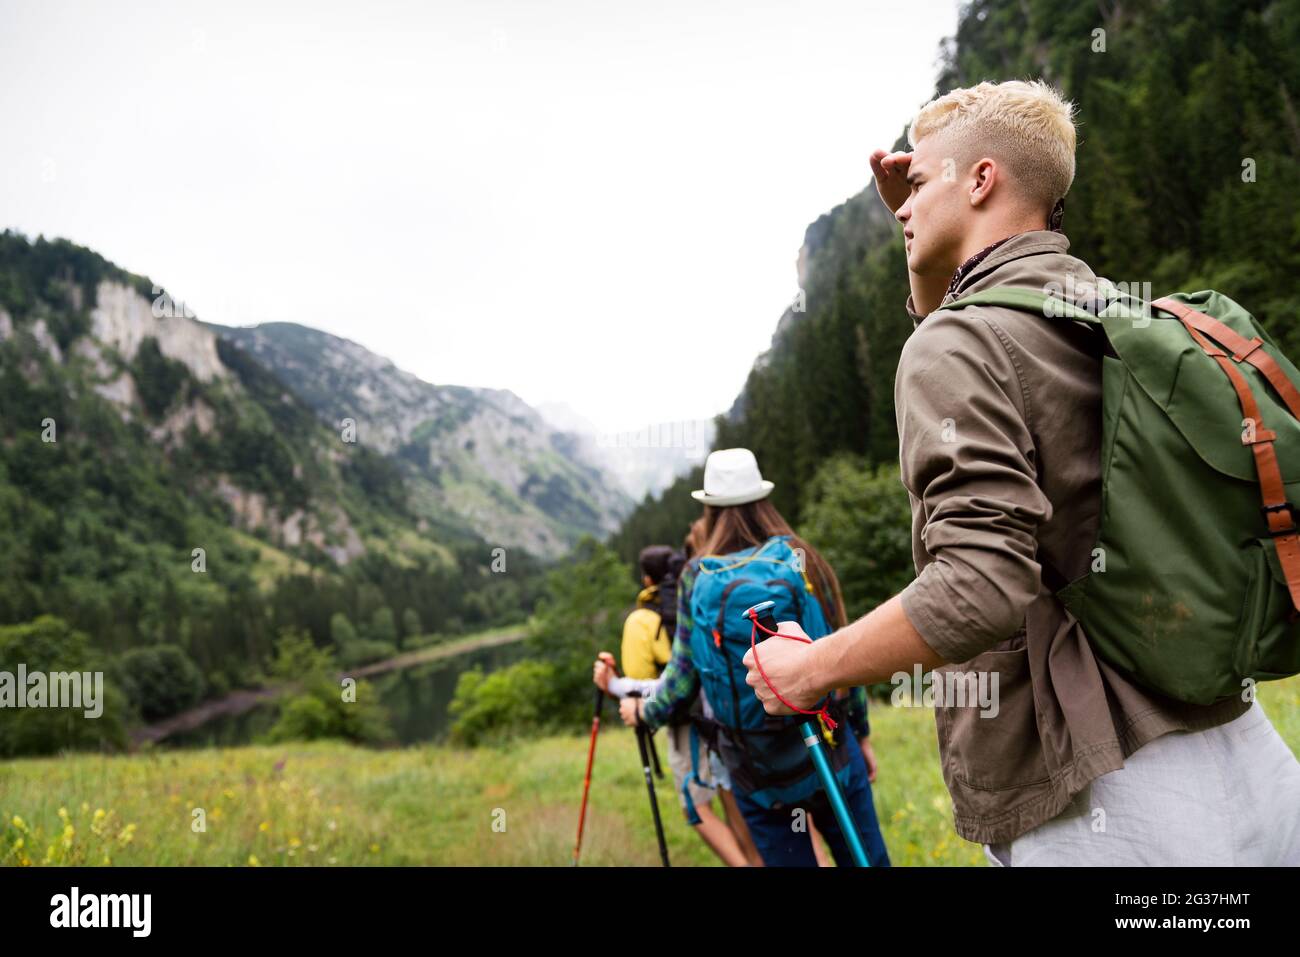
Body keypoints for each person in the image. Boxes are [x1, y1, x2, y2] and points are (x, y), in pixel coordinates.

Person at [740, 78, 1300, 865]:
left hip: (1107, 803)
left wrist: (811, 669)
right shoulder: (1104, 310)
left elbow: (980, 583)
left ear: (981, 180)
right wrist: (927, 232)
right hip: (1246, 765)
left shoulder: (960, 347)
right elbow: (967, 329)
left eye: (921, 182)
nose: (901, 207)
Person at [621, 447, 890, 867]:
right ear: (763, 500)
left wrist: (643, 713)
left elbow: (681, 680)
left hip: (758, 772)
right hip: (830, 749)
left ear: (709, 508)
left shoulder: (698, 575)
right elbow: (841, 654)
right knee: (867, 859)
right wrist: (862, 735)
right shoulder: (798, 556)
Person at [592, 542, 761, 866]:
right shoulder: (699, 596)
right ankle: (754, 861)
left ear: (645, 579)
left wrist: (618, 689)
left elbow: (652, 687)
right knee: (730, 797)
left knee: (696, 808)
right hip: (719, 716)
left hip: (685, 722)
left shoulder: (641, 620)